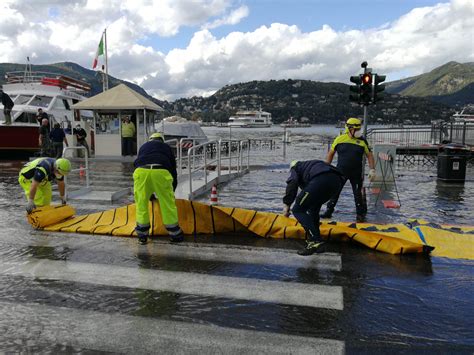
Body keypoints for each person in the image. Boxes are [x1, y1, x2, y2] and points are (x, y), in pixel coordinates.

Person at [282, 159, 345, 256]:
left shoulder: (296, 167)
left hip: (321, 179)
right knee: (313, 209)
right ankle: (319, 245)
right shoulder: (311, 165)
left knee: (298, 210)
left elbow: (292, 183)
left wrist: (287, 204)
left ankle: (314, 240)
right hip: (337, 181)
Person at [321, 117, 376, 222]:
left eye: (360, 129)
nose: (359, 131)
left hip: (356, 173)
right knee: (335, 192)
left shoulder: (363, 141)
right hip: (340, 172)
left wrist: (372, 169)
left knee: (357, 194)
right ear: (350, 128)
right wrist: (325, 167)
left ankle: (360, 215)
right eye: (357, 129)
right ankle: (328, 211)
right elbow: (331, 154)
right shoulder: (339, 139)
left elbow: (369, 155)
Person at [133, 132, 183, 245]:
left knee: (141, 202)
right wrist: (172, 189)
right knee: (167, 203)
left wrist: (148, 193)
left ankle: (142, 235)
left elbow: (139, 162)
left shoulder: (143, 146)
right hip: (161, 171)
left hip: (141, 171)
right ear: (162, 140)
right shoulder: (166, 147)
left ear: (150, 139)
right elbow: (173, 170)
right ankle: (175, 234)